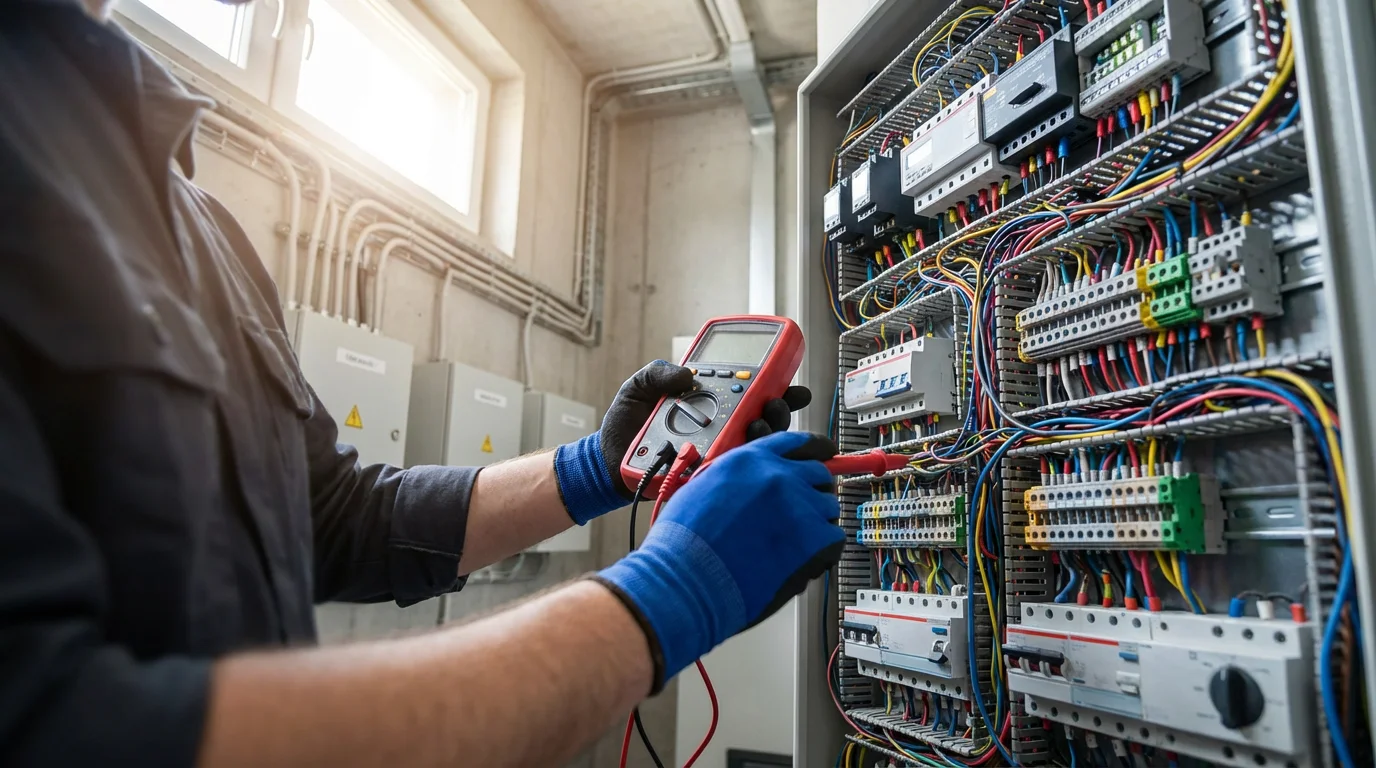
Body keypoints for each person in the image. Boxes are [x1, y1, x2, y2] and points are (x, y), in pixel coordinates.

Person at [0, 1, 844, 765]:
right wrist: (667, 595)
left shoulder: (196, 218)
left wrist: (594, 466)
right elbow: (62, 725)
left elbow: (336, 516)